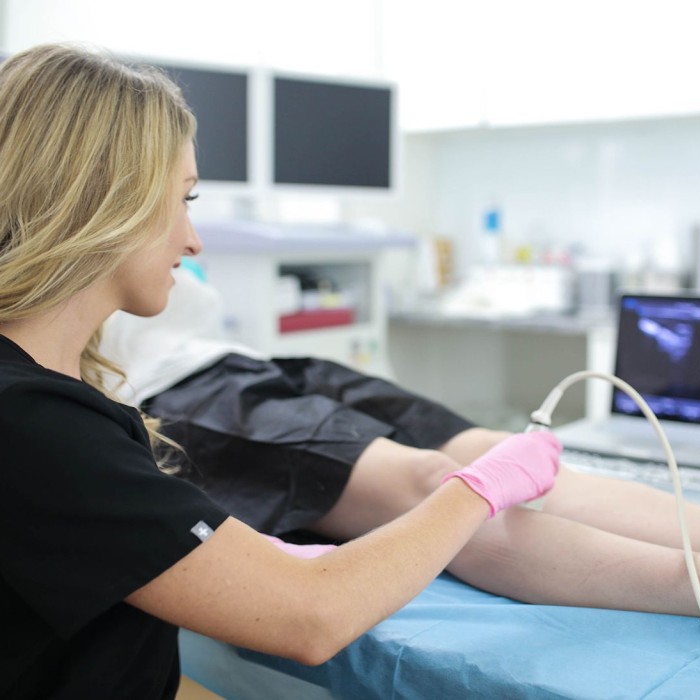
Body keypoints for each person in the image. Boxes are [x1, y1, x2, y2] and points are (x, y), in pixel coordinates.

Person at [0, 44, 561, 700]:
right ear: (104, 200)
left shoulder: (53, 401)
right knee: (428, 473)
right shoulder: (34, 427)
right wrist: (477, 489)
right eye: (182, 200)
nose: (193, 239)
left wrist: (238, 559)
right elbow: (310, 616)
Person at [100, 214, 700, 655]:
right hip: (178, 396)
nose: (191, 234)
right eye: (178, 203)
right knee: (437, 490)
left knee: (505, 453)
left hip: (241, 359)